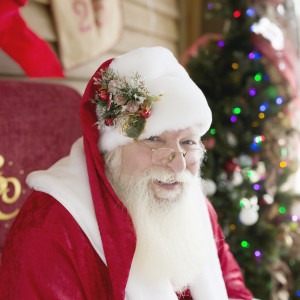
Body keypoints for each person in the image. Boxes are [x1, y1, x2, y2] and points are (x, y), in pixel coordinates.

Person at [0, 47, 254, 300]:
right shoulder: (49, 230)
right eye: (154, 139)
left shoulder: (194, 206)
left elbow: (233, 292)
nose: (178, 166)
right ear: (111, 152)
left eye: (188, 142)